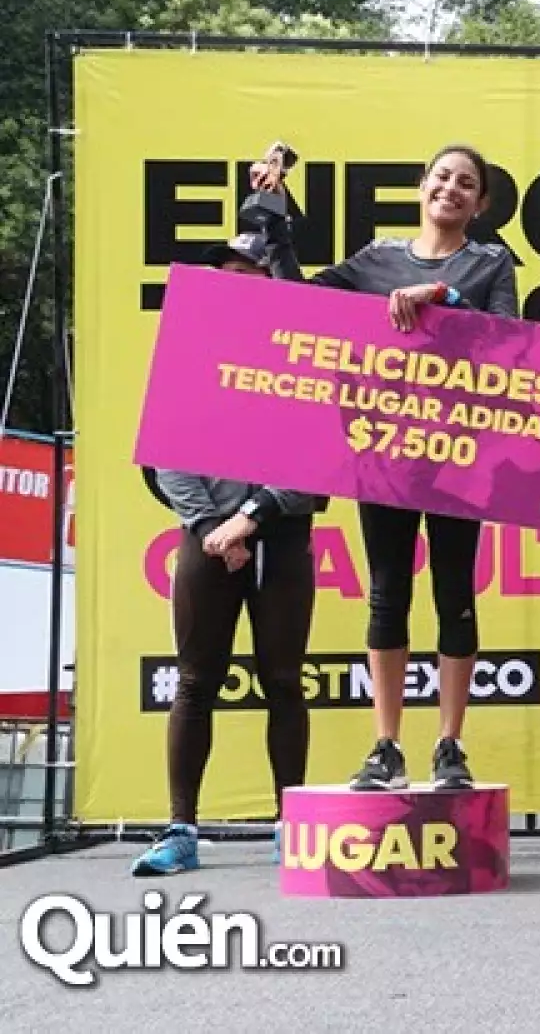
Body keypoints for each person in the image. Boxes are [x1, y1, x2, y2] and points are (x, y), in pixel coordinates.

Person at [254, 143, 519, 790]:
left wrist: (444, 294)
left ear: (481, 203)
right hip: (385, 453)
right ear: (422, 185)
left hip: (458, 454)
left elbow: (512, 343)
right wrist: (275, 217)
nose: (451, 189)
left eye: (466, 183)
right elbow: (300, 301)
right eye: (442, 177)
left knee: (455, 593)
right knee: (387, 592)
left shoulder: (490, 263)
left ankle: (450, 746)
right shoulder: (377, 258)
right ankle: (387, 746)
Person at [131, 232, 326, 876]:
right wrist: (214, 524)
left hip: (280, 535)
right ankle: (180, 829)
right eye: (228, 273)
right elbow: (164, 451)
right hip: (208, 538)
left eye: (253, 274)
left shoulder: (304, 354)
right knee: (195, 681)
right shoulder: (187, 352)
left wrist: (251, 517)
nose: (238, 283)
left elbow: (318, 456)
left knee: (283, 679)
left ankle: (289, 827)